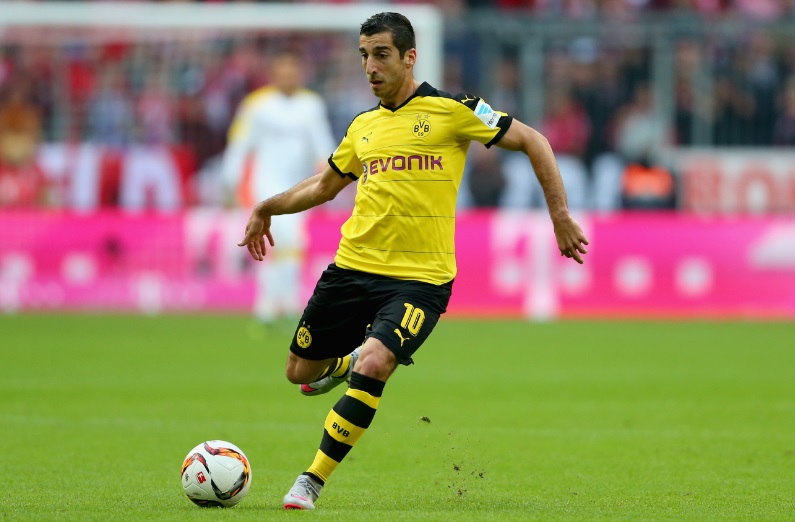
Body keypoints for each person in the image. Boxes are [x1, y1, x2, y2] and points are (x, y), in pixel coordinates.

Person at [237, 12, 589, 510]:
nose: (370, 66)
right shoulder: (363, 126)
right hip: (353, 267)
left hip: (420, 280)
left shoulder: (455, 110)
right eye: (364, 55)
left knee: (377, 362)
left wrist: (560, 216)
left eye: (381, 54)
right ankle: (341, 363)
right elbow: (324, 185)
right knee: (299, 370)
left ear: (409, 57)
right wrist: (266, 207)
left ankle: (311, 480)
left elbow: (535, 141)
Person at [223, 50, 335, 323]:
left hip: (299, 186)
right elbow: (240, 145)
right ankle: (270, 304)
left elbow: (323, 145)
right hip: (265, 183)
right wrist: (230, 180)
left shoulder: (311, 105)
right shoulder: (257, 104)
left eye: (292, 71)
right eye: (282, 72)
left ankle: (282, 302)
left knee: (293, 241)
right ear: (273, 75)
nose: (288, 77)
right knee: (276, 238)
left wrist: (329, 175)